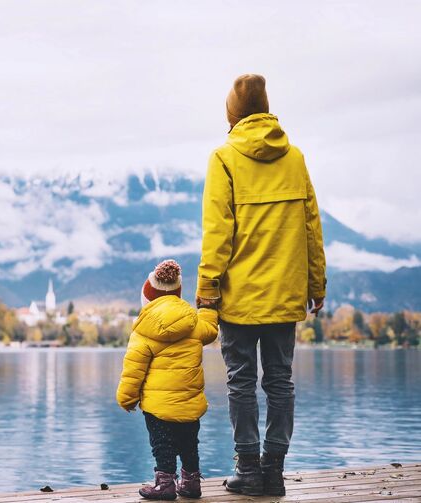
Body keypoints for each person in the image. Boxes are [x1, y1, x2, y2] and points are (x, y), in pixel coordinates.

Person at [195, 74, 326, 497]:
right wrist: (317, 283)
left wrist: (207, 287)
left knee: (240, 381)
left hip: (239, 296)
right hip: (285, 293)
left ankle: (248, 470)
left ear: (232, 114)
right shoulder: (295, 158)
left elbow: (218, 231)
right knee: (280, 381)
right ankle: (274, 471)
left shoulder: (224, 158)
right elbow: (311, 226)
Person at [117, 259, 218, 500]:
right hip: (189, 404)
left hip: (158, 408)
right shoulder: (193, 324)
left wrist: (127, 399)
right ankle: (191, 483)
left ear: (148, 297)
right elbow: (211, 329)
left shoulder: (143, 331)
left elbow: (133, 370)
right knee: (189, 444)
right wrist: (207, 307)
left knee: (162, 445)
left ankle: (165, 484)